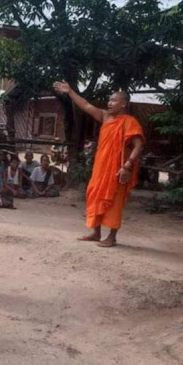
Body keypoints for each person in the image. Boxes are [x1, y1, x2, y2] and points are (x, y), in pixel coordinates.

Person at [54, 81, 144, 247]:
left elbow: (138, 145)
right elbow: (86, 105)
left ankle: (112, 237)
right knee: (94, 193)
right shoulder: (105, 116)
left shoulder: (129, 121)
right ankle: (96, 232)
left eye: (114, 100)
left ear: (123, 104)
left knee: (114, 202)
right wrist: (70, 91)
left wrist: (127, 166)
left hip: (118, 169)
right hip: (101, 167)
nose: (110, 103)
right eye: (109, 100)